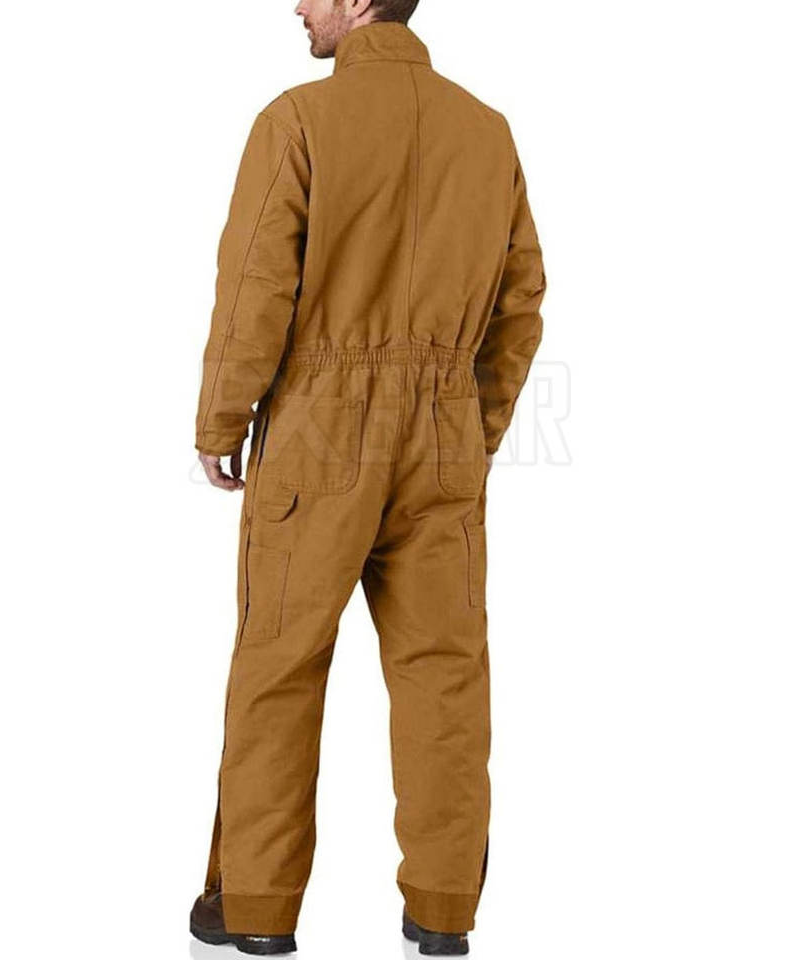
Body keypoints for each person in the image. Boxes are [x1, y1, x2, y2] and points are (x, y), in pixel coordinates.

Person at [190, 0, 545, 954]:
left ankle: (256, 911)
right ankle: (442, 911)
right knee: (445, 675)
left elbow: (255, 285)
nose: (296, 8)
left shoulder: (297, 121)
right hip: (443, 430)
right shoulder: (488, 131)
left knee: (279, 668)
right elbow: (521, 302)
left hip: (320, 425)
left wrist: (222, 418)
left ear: (355, 0)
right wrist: (468, 426)